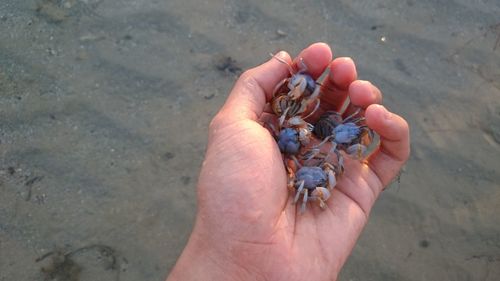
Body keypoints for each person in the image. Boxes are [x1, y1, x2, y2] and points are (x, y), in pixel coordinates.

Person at [166, 43, 410, 281]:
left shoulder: (323, 150)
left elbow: (330, 149)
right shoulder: (304, 148)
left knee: (353, 126)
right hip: (304, 149)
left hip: (317, 146)